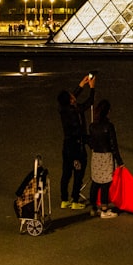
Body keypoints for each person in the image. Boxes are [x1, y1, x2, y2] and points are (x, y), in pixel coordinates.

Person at [56, 73, 95, 209]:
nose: (73, 96)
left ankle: (64, 199)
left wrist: (81, 85)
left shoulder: (63, 109)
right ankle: (75, 200)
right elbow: (89, 103)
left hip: (67, 146)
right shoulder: (76, 111)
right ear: (71, 101)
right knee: (79, 172)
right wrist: (92, 88)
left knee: (66, 172)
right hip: (77, 147)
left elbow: (71, 98)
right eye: (71, 96)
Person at [86, 98, 124, 218]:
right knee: (105, 184)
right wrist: (119, 161)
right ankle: (104, 209)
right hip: (106, 156)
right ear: (107, 112)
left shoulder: (92, 126)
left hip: (96, 156)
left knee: (96, 181)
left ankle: (93, 207)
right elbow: (113, 145)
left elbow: (91, 143)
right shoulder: (109, 126)